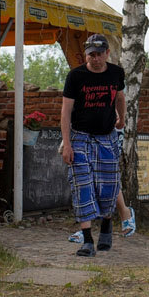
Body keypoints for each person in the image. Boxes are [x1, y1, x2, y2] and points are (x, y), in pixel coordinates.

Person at [61, 33, 126, 256]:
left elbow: (120, 98)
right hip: (80, 137)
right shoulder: (75, 76)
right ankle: (87, 240)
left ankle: (107, 225)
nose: (94, 59)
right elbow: (66, 111)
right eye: (91, 55)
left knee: (107, 187)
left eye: (99, 54)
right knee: (83, 185)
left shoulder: (117, 73)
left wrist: (122, 118)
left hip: (107, 137)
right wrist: (67, 144)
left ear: (107, 53)